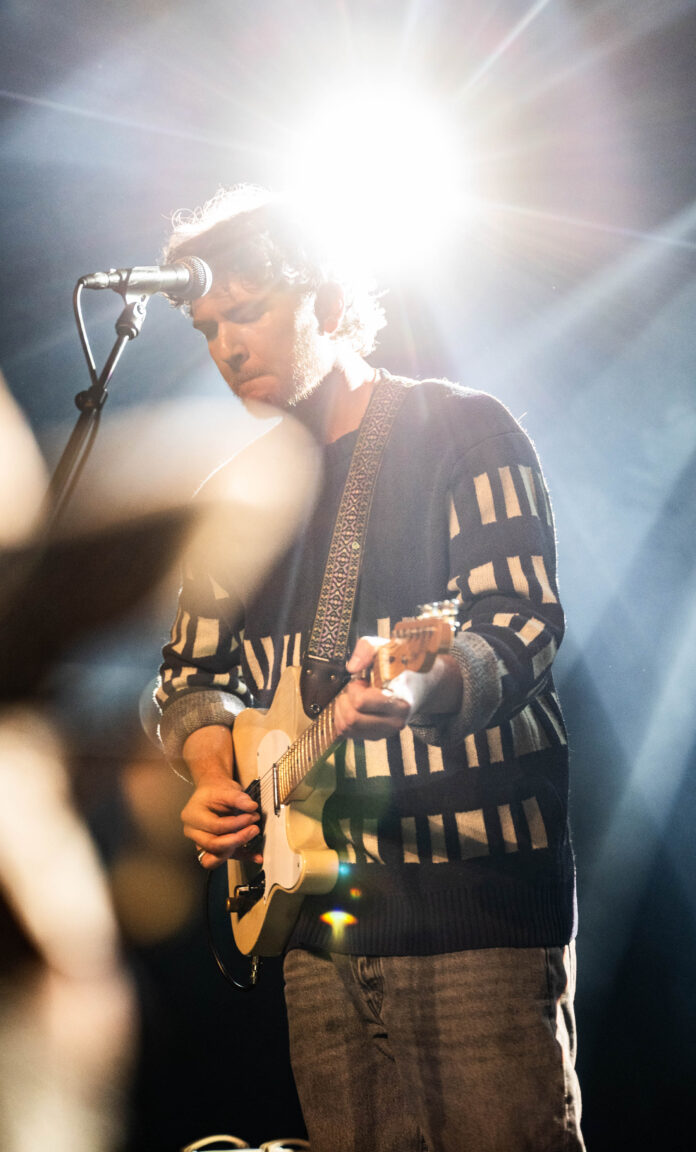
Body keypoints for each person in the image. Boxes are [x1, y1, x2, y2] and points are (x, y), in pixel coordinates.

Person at [154, 186, 585, 1152]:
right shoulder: (231, 502)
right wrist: (217, 777)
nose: (226, 346)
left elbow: (519, 625)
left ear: (331, 301)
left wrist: (419, 686)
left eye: (250, 311)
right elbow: (185, 680)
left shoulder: (463, 432)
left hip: (471, 911)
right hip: (312, 927)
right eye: (210, 324)